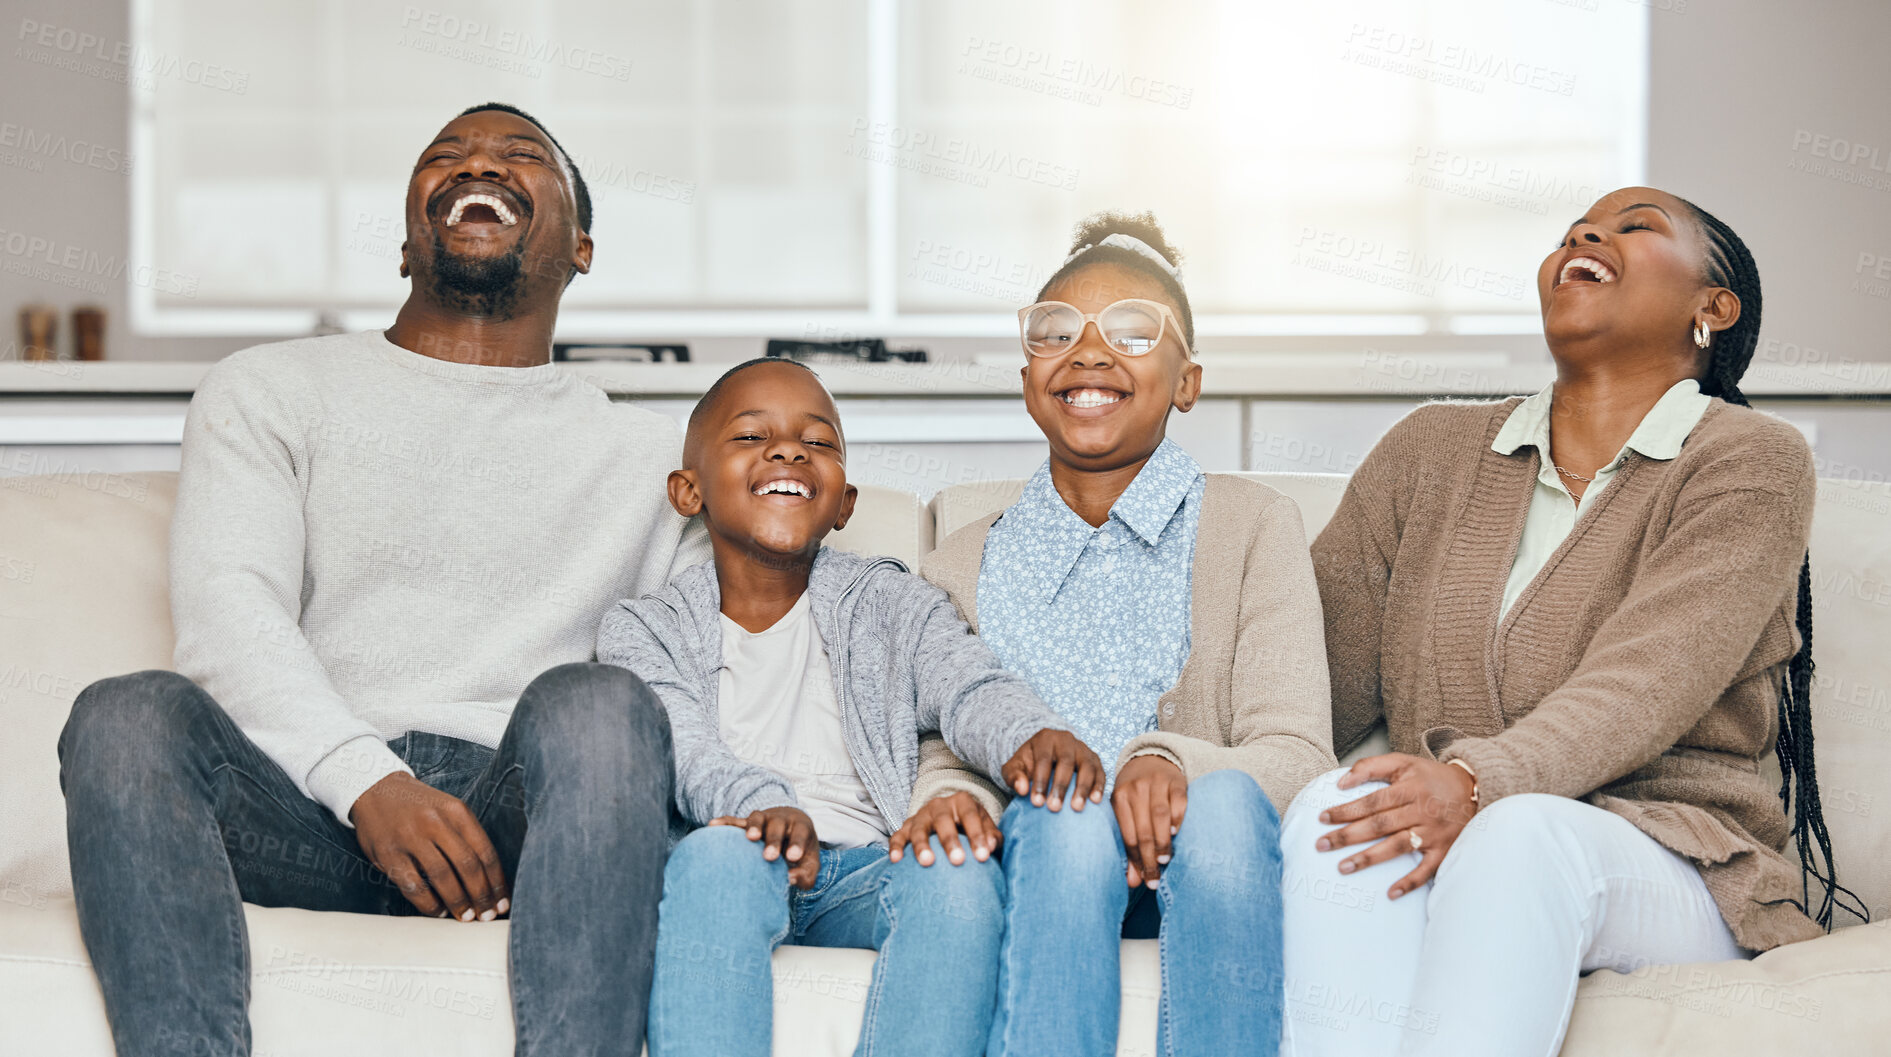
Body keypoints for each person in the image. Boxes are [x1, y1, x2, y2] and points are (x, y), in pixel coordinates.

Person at [57, 103, 705, 1056]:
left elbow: (708, 668)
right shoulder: (270, 389)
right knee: (124, 716)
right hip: (308, 814)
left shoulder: (658, 459)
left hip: (523, 827)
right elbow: (228, 611)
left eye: (519, 157)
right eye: (443, 158)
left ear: (584, 248)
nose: (475, 164)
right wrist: (370, 784)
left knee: (604, 703)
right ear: (407, 244)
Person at [1282, 186, 1866, 1057]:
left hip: (1673, 856)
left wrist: (1477, 783)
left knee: (1518, 833)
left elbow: (1648, 677)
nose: (1587, 233)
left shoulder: (1749, 462)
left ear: (1713, 307)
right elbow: (1304, 683)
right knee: (1341, 804)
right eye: (1574, 230)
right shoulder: (1428, 451)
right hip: (1458, 840)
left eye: (1636, 226)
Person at [910, 213, 1337, 1057]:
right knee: (1064, 817)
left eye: (1134, 332)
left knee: (1216, 807)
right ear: (1028, 372)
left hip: (1210, 861)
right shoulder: (959, 562)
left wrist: (1166, 761)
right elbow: (944, 741)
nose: (1091, 352)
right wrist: (946, 797)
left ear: (1187, 381)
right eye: (1056, 331)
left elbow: (1297, 754)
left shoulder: (1253, 525)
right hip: (1043, 870)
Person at [598, 357, 1101, 1057]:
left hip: (867, 862)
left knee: (956, 875)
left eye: (819, 441)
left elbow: (966, 680)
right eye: (750, 437)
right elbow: (679, 742)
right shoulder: (644, 627)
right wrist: (761, 802)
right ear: (688, 490)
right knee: (717, 859)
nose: (787, 450)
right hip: (731, 849)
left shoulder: (891, 602)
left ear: (844, 502)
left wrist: (1028, 732)